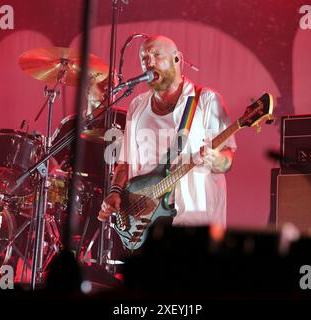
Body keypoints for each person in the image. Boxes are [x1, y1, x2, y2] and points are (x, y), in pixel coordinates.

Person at [97, 35, 236, 228]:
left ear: (176, 58)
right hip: (145, 223)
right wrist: (115, 191)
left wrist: (217, 159)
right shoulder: (137, 105)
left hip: (195, 219)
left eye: (156, 55)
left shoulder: (206, 101)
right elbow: (125, 162)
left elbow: (228, 158)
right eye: (144, 58)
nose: (149, 63)